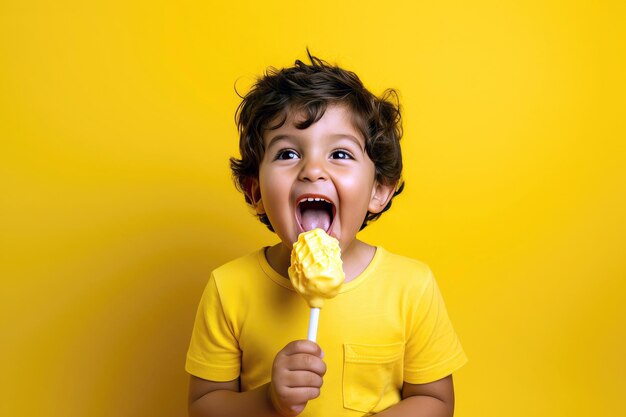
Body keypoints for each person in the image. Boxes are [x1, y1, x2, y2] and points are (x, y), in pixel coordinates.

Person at [186, 53, 467, 417]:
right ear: (255, 192)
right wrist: (269, 399)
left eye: (339, 153)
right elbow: (203, 406)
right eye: (287, 152)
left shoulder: (411, 286)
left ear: (379, 190)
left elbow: (437, 401)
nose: (313, 170)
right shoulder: (228, 288)